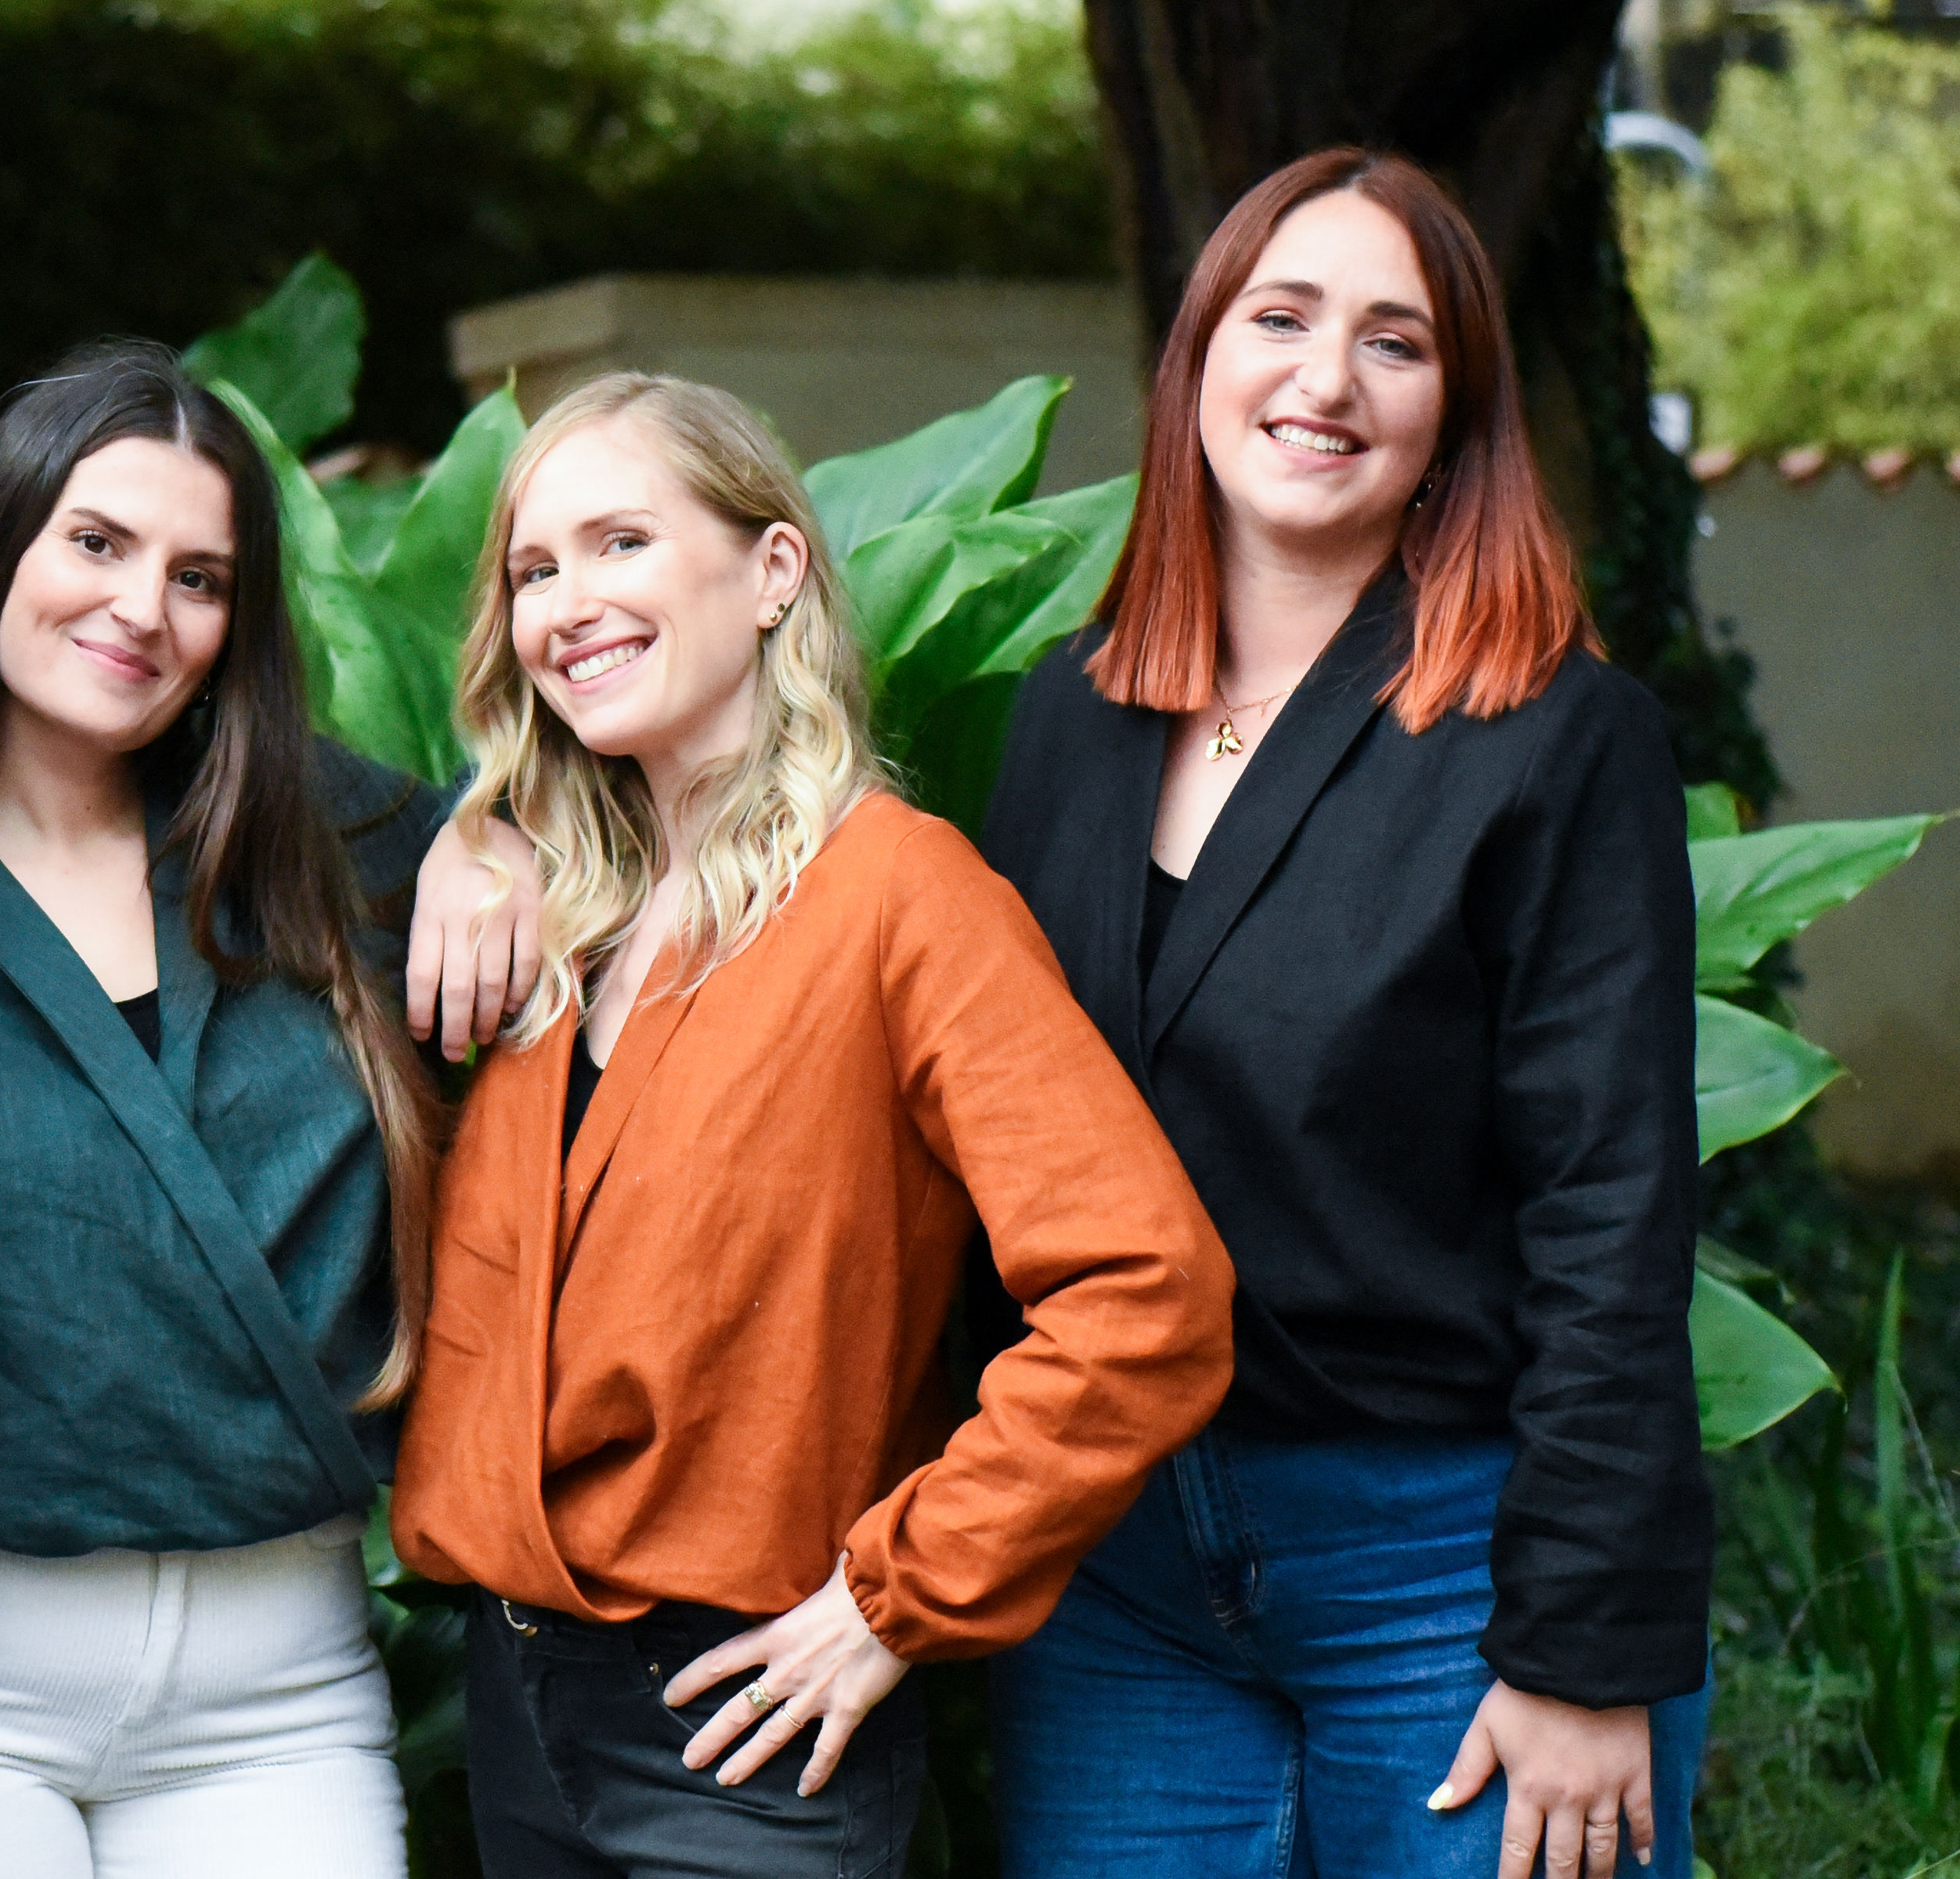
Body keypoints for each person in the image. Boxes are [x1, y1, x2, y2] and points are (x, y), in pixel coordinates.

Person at [389, 371, 1236, 1878]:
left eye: (622, 543)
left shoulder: (902, 900)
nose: (568, 601)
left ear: (773, 572)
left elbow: (1147, 1297)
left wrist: (895, 1598)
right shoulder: (552, 912)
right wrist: (475, 824)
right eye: (534, 569)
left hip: (747, 1739)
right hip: (520, 1713)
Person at [976, 149, 1712, 1879]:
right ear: (1198, 360)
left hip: (1449, 1563)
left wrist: (1582, 1649)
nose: (1324, 380)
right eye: (1281, 317)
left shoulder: (1557, 738)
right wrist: (490, 839)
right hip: (1120, 1566)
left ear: (1458, 412)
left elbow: (1613, 1214)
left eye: (1395, 342)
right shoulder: (1068, 724)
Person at [0, 341, 453, 1879]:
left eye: (199, 576)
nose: (141, 608)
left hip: (282, 1688)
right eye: (96, 542)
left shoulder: (351, 858)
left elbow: (624, 830)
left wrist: (510, 839)